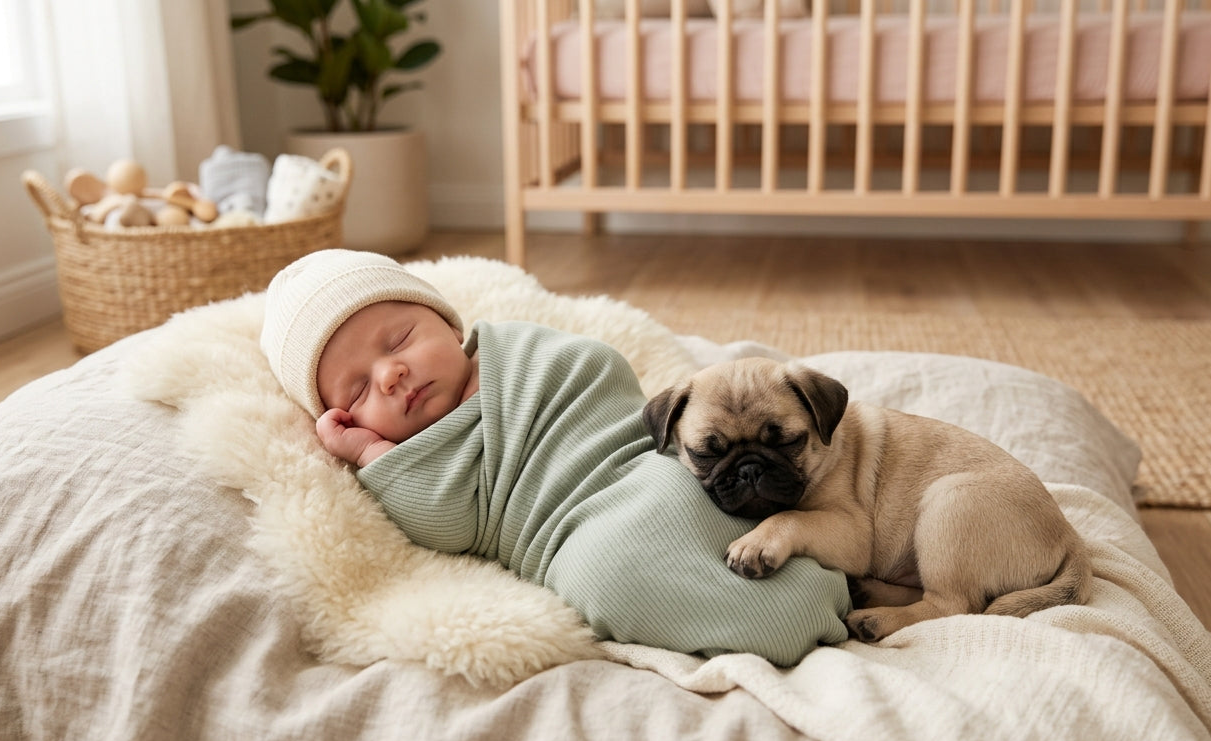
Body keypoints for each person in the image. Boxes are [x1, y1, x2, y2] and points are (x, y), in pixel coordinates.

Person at [260, 249, 851, 666]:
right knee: (612, 578)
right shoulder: (416, 452)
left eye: (398, 340)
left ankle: (830, 573)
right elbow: (443, 521)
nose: (391, 375)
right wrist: (373, 453)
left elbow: (601, 370)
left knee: (732, 508)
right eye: (358, 391)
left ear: (445, 320)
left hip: (643, 469)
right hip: (570, 533)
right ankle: (798, 618)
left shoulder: (515, 349)